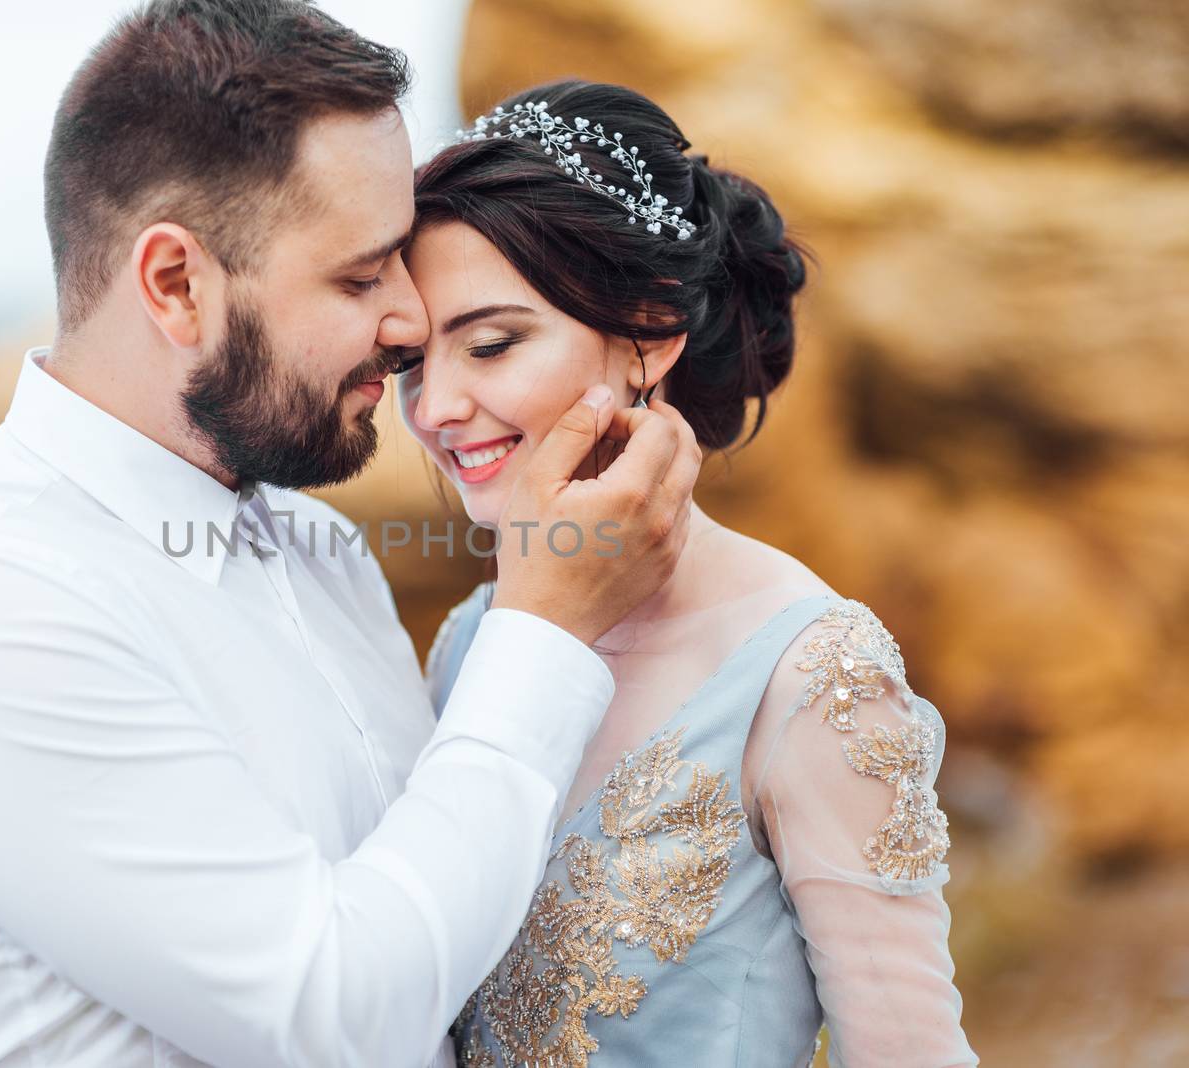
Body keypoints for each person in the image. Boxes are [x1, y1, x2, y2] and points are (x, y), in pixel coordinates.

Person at [0, 5, 702, 1067]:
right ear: (177, 286)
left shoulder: (322, 553)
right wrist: (546, 627)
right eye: (362, 276)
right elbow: (338, 1021)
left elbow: (444, 923)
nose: (412, 324)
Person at [402, 81, 978, 1066]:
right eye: (411, 362)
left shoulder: (811, 672)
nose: (436, 408)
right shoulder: (471, 642)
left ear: (647, 333)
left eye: (490, 344)